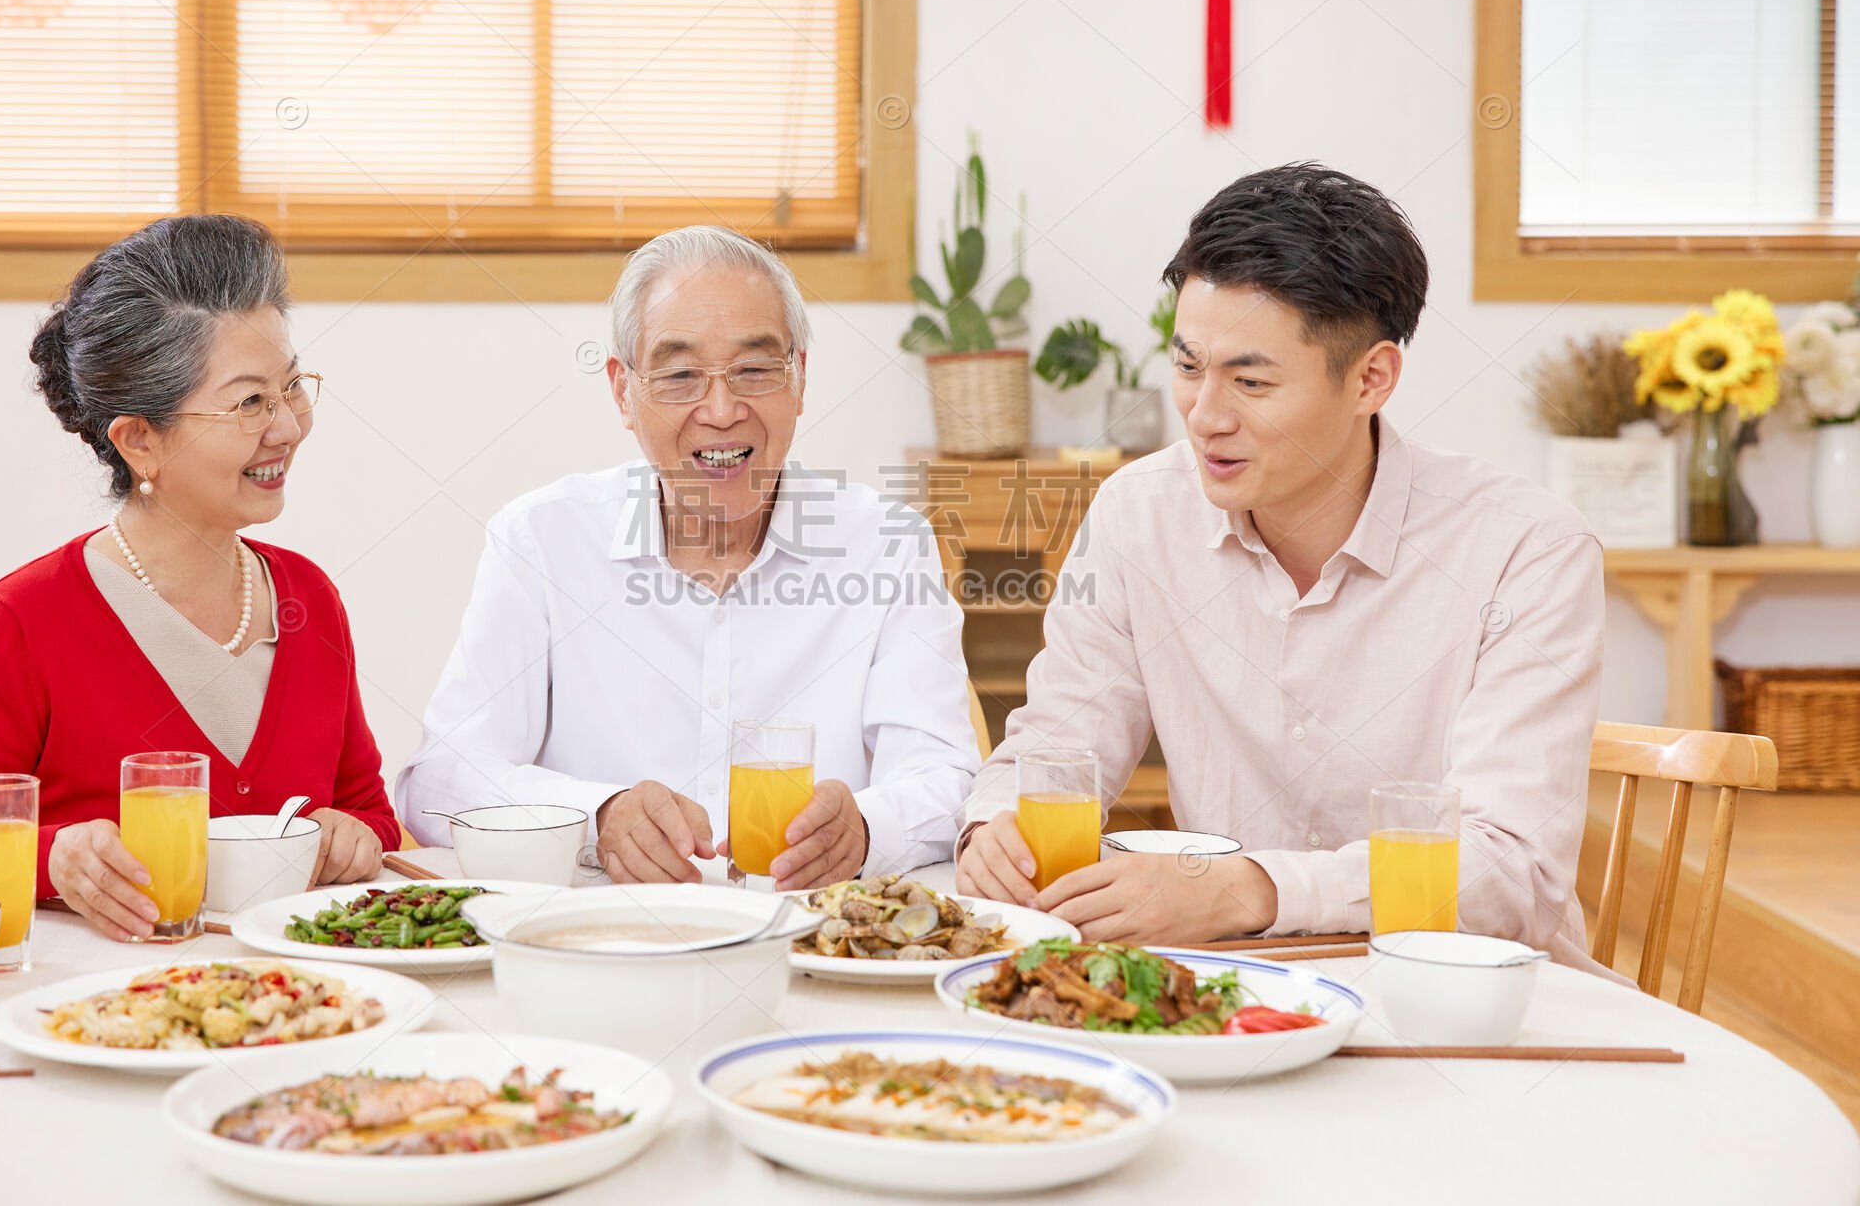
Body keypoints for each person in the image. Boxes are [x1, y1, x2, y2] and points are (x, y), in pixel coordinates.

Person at [955, 163, 1607, 971]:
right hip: (1232, 989)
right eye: (1188, 367)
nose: (1205, 415)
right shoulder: (1138, 513)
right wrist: (994, 826)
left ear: (1372, 378)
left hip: (1467, 999)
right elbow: (1057, 744)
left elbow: (1512, 875)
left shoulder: (1525, 549)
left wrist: (1248, 890)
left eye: (1251, 381)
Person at [0, 214, 396, 939]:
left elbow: (369, 811)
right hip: (98, 1013)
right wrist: (51, 859)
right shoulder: (23, 623)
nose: (289, 426)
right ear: (140, 439)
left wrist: (349, 834)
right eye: (249, 402)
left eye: (292, 386)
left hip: (301, 1007)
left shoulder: (308, 600)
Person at [395, 225, 979, 889]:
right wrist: (597, 816)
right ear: (623, 391)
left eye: (755, 369)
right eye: (680, 376)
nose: (722, 410)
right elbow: (440, 778)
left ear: (800, 378)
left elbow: (947, 776)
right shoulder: (541, 540)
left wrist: (867, 829)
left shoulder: (889, 544)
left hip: (814, 940)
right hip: (605, 947)